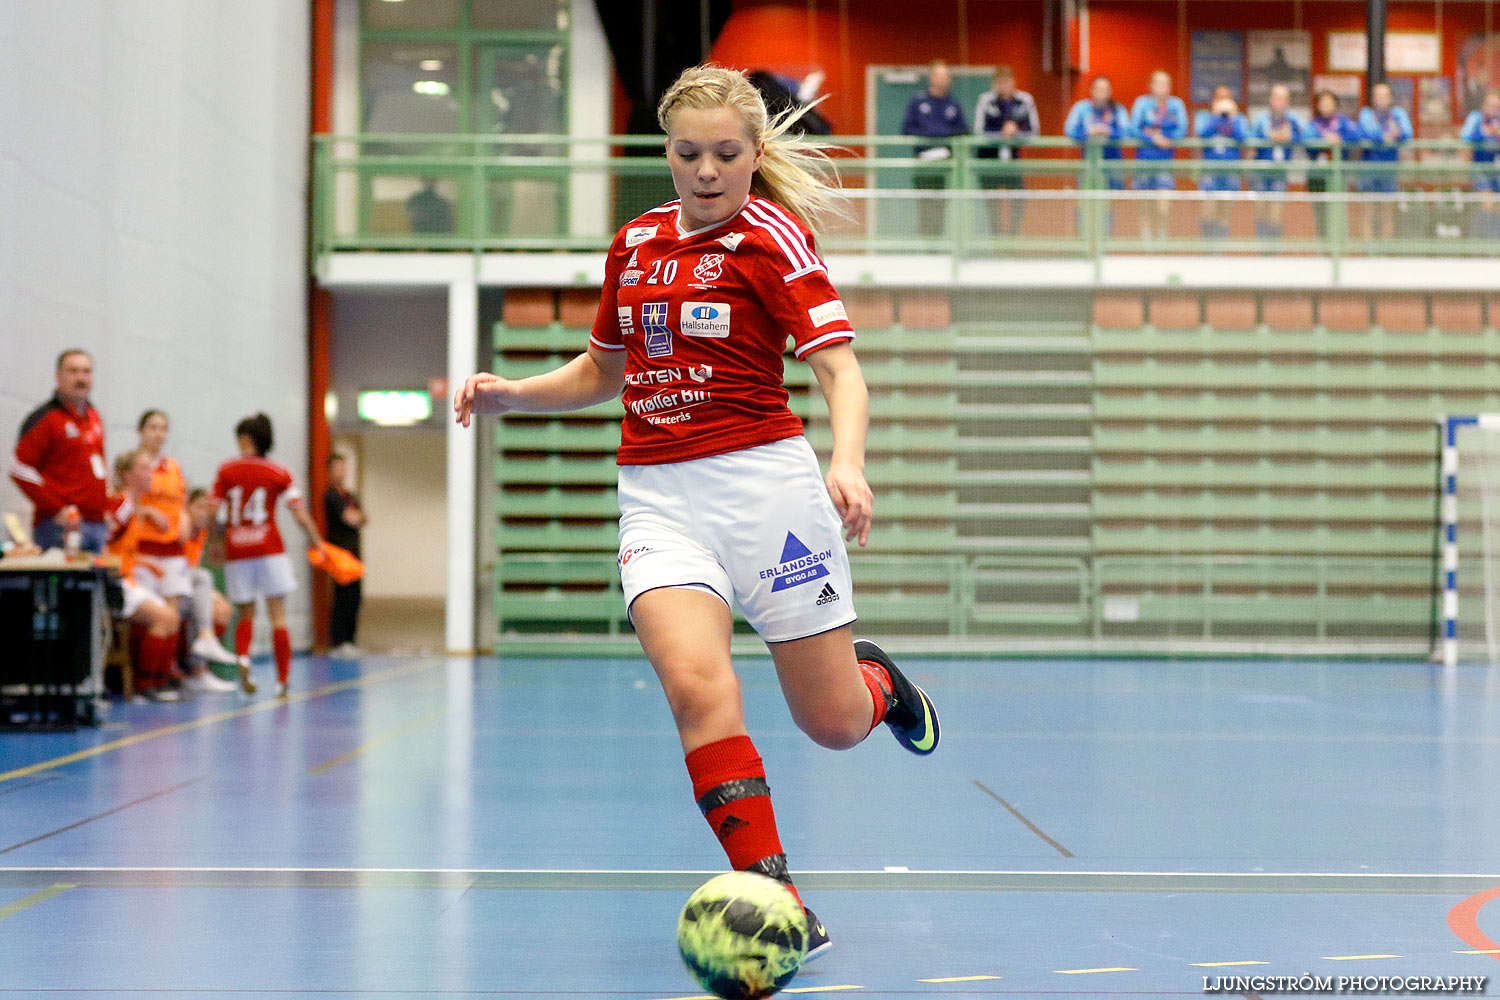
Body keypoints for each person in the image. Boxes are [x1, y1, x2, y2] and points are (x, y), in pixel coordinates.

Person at [454, 64, 940, 962]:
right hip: (658, 497)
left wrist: (848, 461)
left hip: (768, 492)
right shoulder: (635, 244)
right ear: (666, 155)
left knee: (831, 725)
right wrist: (509, 393)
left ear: (756, 153)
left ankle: (877, 684)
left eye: (726, 154)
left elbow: (840, 370)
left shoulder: (776, 240)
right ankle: (776, 891)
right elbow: (604, 371)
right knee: (693, 686)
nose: (707, 171)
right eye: (688, 154)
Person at [212, 413, 323, 698]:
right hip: (269, 550)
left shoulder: (226, 471)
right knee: (278, 615)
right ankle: (282, 681)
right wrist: (316, 540)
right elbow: (298, 512)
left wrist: (215, 542)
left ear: (245, 439)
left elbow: (215, 511)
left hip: (238, 549)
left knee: (245, 611)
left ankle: (244, 657)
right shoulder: (279, 472)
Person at [134, 410, 240, 692]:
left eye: (163, 428)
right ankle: (152, 681)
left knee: (175, 610)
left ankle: (175, 674)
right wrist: (146, 511)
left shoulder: (173, 468)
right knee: (163, 614)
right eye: (152, 427)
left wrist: (180, 518)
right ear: (141, 431)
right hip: (142, 550)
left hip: (171, 550)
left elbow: (179, 503)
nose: (158, 433)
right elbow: (123, 500)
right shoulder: (135, 466)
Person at [9, 350, 108, 553]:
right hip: (60, 526)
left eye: (86, 372)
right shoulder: (46, 418)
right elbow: (19, 468)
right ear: (58, 376)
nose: (81, 378)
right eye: (73, 371)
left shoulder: (94, 416)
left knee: (95, 585)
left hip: (96, 523)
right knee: (62, 584)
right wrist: (56, 508)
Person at [106, 450, 184, 702]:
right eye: (143, 468)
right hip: (115, 582)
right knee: (164, 617)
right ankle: (146, 684)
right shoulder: (121, 505)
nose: (150, 473)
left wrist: (145, 562)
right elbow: (101, 542)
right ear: (127, 475)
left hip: (127, 577)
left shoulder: (135, 507)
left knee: (172, 616)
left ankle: (161, 681)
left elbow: (122, 548)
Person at [185, 487, 256, 694]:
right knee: (205, 601)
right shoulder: (180, 526)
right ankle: (194, 669)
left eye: (207, 510)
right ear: (187, 506)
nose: (203, 514)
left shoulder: (203, 533)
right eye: (198, 507)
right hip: (171, 585)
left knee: (223, 610)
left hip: (188, 583)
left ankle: (201, 670)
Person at [900, 60, 968, 239]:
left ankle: (941, 243)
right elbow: (907, 129)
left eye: (945, 75)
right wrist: (933, 134)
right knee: (925, 204)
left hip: (946, 164)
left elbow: (963, 130)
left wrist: (940, 134)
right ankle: (927, 245)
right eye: (938, 75)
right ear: (931, 77)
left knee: (942, 204)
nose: (942, 79)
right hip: (923, 162)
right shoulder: (918, 102)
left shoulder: (954, 105)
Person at [973, 65, 1039, 237]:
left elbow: (1034, 132)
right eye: (1000, 82)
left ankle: (1012, 237)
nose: (1004, 86)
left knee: (1018, 200)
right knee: (992, 205)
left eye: (1008, 82)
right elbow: (978, 132)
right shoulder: (985, 100)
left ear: (1014, 82)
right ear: (994, 83)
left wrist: (1016, 133)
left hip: (1013, 161)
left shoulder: (1025, 100)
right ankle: (997, 240)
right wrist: (1000, 134)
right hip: (989, 161)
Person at [1064, 76, 1129, 234]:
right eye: (1098, 89)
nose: (1101, 93)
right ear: (1091, 91)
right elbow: (1069, 129)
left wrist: (1109, 131)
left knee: (1107, 204)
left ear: (1110, 92)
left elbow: (1127, 131)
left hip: (1112, 163)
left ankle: (1104, 240)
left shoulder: (1117, 109)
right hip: (1088, 164)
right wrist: (1088, 131)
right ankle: (1084, 239)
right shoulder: (1081, 108)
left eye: (1105, 89)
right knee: (1085, 202)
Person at [1129, 70, 1189, 240]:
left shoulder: (1176, 104)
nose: (1163, 87)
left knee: (1164, 204)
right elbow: (1133, 128)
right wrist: (1153, 137)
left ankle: (1162, 239)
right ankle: (1146, 240)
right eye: (1159, 83)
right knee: (1145, 204)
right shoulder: (1142, 103)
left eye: (1166, 83)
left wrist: (1167, 138)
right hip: (1144, 160)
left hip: (1165, 161)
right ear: (1151, 86)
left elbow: (1182, 129)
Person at [1248, 84, 1309, 240]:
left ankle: (1273, 248)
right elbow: (1249, 139)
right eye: (1276, 98)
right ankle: (1261, 246)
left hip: (1280, 171)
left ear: (1287, 101)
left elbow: (1309, 135)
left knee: (1276, 210)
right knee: (1261, 209)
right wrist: (1268, 137)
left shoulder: (1293, 119)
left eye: (1283, 98)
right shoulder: (1261, 119)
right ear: (1271, 100)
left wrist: (1290, 137)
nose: (1279, 102)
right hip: (1261, 170)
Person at [323, 451, 366, 656]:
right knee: (342, 597)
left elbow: (362, 517)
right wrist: (354, 516)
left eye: (344, 466)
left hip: (354, 555)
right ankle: (339, 641)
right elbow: (349, 518)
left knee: (355, 597)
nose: (342, 471)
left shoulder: (350, 495)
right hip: (340, 555)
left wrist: (357, 516)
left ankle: (351, 639)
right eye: (337, 467)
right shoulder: (331, 495)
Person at [1358, 81, 1412, 240]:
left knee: (1387, 212)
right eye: (1378, 95)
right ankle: (1369, 252)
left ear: (1390, 98)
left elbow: (1407, 132)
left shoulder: (1397, 113)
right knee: (1368, 212)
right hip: (1369, 168)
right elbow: (1366, 132)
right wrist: (1385, 136)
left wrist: (1397, 133)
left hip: (1389, 168)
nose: (1382, 99)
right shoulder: (1367, 113)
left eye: (1385, 95)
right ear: (1373, 98)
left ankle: (1384, 252)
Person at [1194, 86, 1248, 239]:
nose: (1223, 102)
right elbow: (1202, 134)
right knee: (1207, 211)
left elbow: (1242, 137)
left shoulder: (1239, 118)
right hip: (1210, 170)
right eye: (1219, 98)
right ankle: (1208, 248)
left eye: (1227, 98)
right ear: (1214, 100)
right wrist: (1216, 116)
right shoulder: (1204, 116)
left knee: (1225, 210)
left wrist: (1232, 117)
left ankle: (1221, 248)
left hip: (1230, 169)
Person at [1307, 88, 1361, 239]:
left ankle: (1339, 242)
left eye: (1329, 103)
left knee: (1338, 208)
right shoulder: (1314, 124)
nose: (1325, 106)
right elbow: (1306, 139)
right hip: (1318, 175)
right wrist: (1324, 140)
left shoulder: (1343, 122)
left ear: (1335, 105)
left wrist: (1339, 138)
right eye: (1322, 103)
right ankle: (1324, 243)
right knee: (1321, 210)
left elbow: (1357, 135)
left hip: (1337, 174)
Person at [1460, 90, 1500, 236]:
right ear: (1484, 105)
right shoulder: (1476, 117)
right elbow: (1465, 137)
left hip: (1497, 168)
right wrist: (1485, 133)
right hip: (1480, 166)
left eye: (1497, 106)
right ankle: (1485, 239)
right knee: (1487, 204)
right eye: (1490, 105)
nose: (1493, 109)